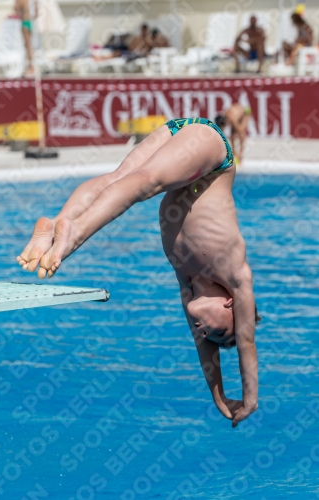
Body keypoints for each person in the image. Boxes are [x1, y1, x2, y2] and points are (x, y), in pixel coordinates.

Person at [16, 117, 260, 428]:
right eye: (217, 331)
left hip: (183, 139)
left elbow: (203, 349)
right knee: (146, 182)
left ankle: (54, 227)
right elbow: (247, 339)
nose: (203, 333)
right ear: (231, 305)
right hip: (211, 153)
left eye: (207, 336)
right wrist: (250, 398)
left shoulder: (187, 281)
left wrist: (219, 396)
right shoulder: (237, 276)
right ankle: (71, 237)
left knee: (118, 179)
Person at [14, 0, 37, 78]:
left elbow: (16, 9)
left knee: (28, 46)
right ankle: (30, 66)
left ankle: (31, 67)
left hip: (25, 22)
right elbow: (36, 11)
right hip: (30, 21)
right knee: (28, 45)